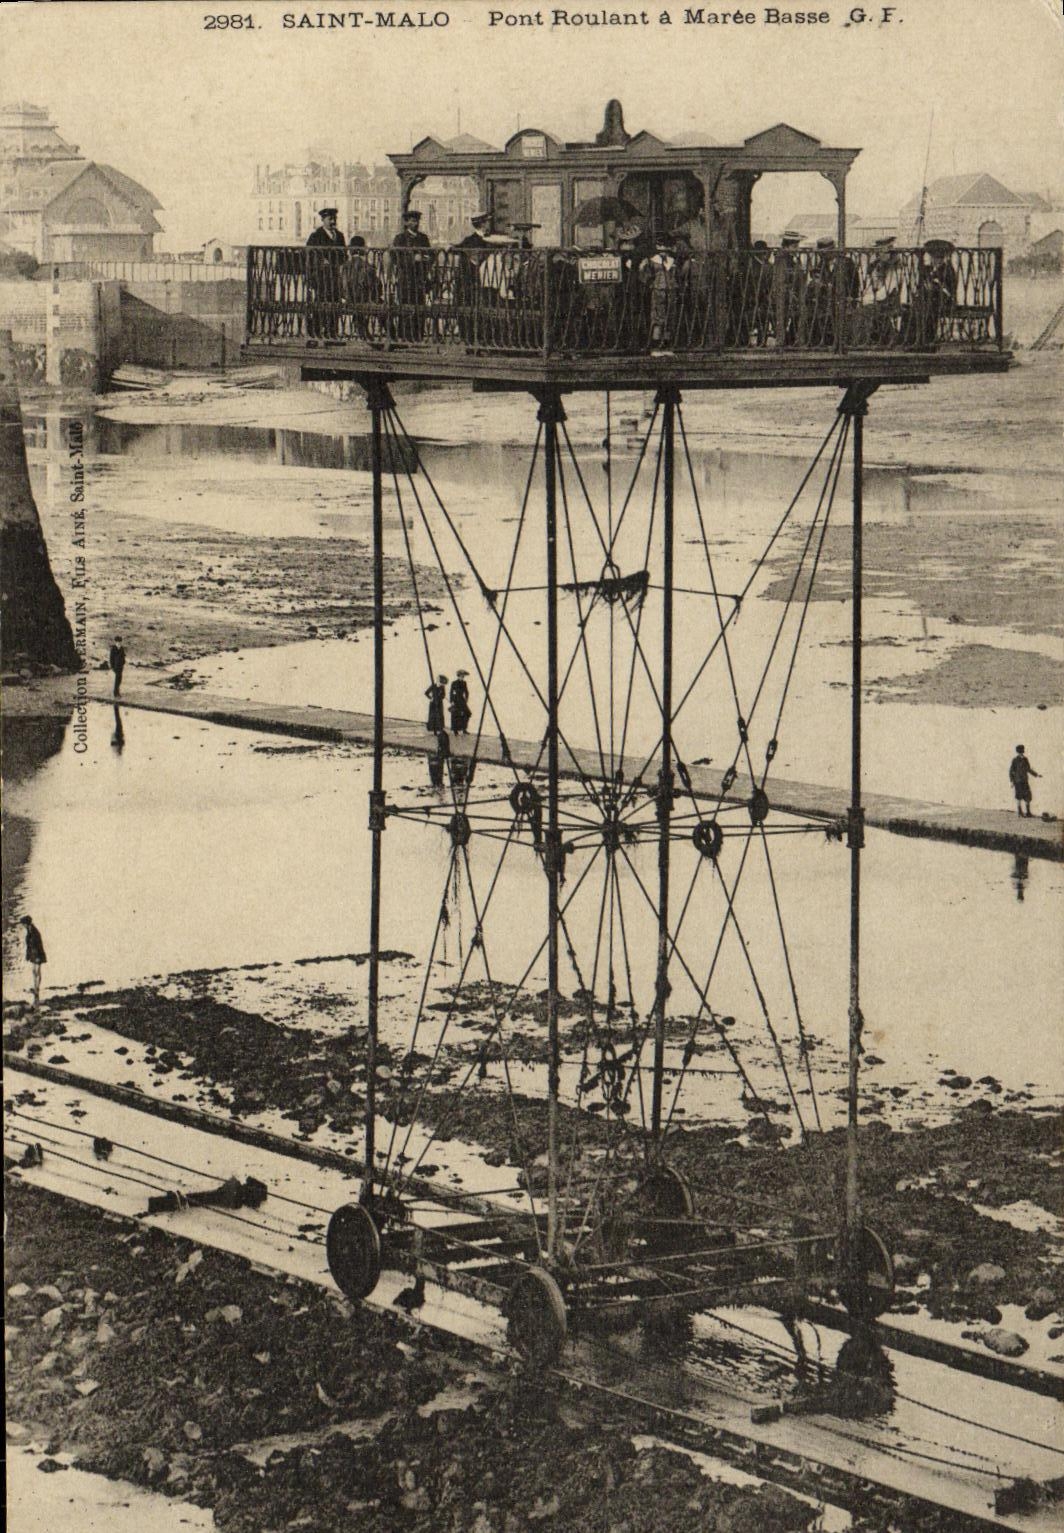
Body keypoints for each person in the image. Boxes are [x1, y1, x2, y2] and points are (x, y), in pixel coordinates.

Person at [305, 208, 347, 340]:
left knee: (335, 302)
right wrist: (320, 261)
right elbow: (308, 254)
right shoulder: (315, 236)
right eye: (330, 219)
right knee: (321, 302)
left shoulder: (339, 236)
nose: (333, 221)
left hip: (335, 276)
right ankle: (316, 331)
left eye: (334, 219)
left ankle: (332, 332)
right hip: (321, 277)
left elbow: (344, 255)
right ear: (323, 220)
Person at [392, 208, 431, 341]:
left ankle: (418, 335)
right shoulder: (400, 238)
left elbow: (430, 255)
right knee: (405, 306)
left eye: (417, 221)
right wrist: (412, 259)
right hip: (406, 278)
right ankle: (404, 335)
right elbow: (396, 258)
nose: (416, 224)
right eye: (413, 221)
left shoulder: (423, 238)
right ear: (406, 223)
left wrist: (426, 260)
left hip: (420, 278)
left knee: (419, 307)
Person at [20, 915, 46, 1009]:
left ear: (26, 923)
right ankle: (35, 988)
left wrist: (39, 957)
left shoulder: (35, 932)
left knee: (37, 971)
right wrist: (28, 955)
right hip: (33, 954)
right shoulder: (30, 930)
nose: (23, 926)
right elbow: (29, 945)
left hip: (38, 954)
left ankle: (37, 989)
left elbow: (39, 945)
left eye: (23, 924)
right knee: (34, 971)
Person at [1008, 745, 1039, 817]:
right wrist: (1011, 781)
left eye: (1021, 751)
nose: (1021, 753)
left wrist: (1036, 775)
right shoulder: (1015, 760)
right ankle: (1020, 812)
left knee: (1028, 796)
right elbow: (1011, 771)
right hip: (1018, 781)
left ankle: (1028, 812)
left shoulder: (1025, 759)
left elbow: (1028, 769)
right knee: (1019, 796)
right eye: (1020, 752)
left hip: (1024, 780)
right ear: (1018, 752)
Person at [449, 671, 471, 735]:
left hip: (462, 700)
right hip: (455, 700)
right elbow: (451, 692)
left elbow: (466, 692)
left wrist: (466, 699)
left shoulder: (464, 683)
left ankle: (464, 729)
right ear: (458, 676)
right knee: (455, 715)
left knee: (467, 714)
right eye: (461, 676)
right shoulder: (454, 683)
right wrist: (452, 701)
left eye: (463, 676)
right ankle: (455, 730)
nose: (462, 677)